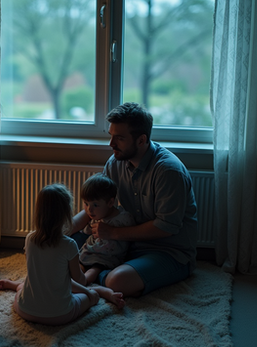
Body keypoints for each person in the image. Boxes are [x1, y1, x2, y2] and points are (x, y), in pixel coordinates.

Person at [71, 102, 198, 298]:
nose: (111, 144)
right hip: (124, 243)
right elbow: (97, 205)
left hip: (167, 251)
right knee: (60, 245)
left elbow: (165, 227)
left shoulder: (168, 171)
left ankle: (95, 277)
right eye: (111, 136)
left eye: (119, 138)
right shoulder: (115, 163)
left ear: (141, 140)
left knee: (117, 281)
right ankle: (94, 272)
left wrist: (114, 232)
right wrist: (59, 230)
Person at [0, 183, 125, 326]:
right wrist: (90, 293)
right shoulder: (69, 245)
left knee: (28, 287)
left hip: (25, 310)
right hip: (60, 314)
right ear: (66, 214)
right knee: (91, 297)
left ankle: (16, 286)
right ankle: (100, 291)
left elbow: (42, 276)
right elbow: (79, 281)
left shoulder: (29, 239)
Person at [78, 173, 135, 284]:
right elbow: (87, 230)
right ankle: (74, 279)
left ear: (110, 203)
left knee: (95, 269)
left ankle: (83, 283)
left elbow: (129, 237)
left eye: (95, 205)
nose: (89, 209)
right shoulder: (98, 214)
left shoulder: (122, 219)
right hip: (90, 252)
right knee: (76, 264)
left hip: (107, 258)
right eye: (86, 203)